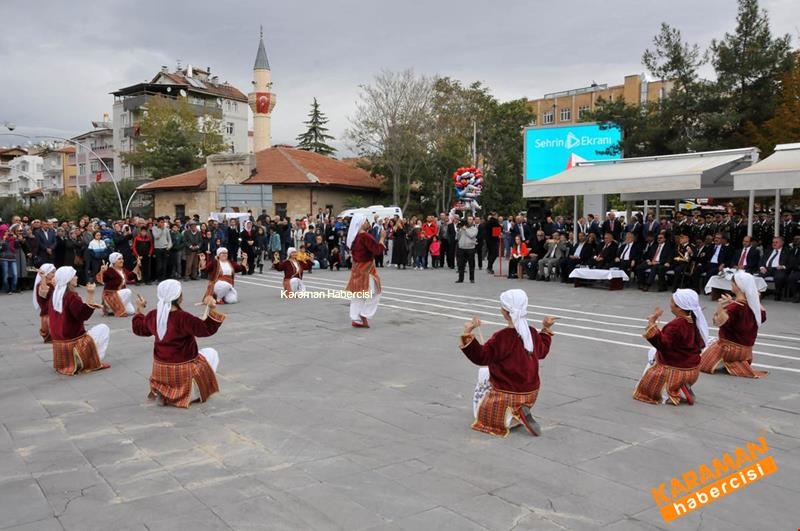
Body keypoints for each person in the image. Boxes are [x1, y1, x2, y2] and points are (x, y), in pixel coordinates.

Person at [459, 289, 556, 437]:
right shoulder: (531, 333)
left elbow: (480, 358)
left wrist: (467, 333)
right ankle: (519, 411)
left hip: (507, 393)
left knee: (483, 414)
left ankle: (512, 416)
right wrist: (546, 328)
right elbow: (542, 352)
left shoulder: (502, 337)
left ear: (504, 312)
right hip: (531, 393)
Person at [132, 279, 224, 408]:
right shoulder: (183, 317)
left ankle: (164, 392)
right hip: (182, 373)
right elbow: (205, 329)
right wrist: (213, 308)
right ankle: (188, 393)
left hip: (160, 372)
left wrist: (140, 308)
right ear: (179, 297)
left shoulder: (153, 315)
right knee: (211, 353)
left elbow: (139, 329)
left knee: (203, 356)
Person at [633, 289, 709, 405]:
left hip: (675, 371)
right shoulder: (693, 320)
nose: (670, 304)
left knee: (644, 390)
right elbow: (700, 344)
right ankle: (680, 387)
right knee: (653, 352)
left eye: (672, 302)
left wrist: (652, 323)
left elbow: (661, 344)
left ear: (679, 307)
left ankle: (668, 392)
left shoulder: (676, 325)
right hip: (692, 371)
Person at [699, 271, 767, 378]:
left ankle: (723, 361)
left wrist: (721, 306)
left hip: (729, 350)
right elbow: (761, 315)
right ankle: (733, 363)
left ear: (737, 286)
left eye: (733, 282)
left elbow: (718, 322)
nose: (731, 284)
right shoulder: (755, 307)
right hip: (747, 353)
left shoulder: (734, 308)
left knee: (697, 356)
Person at [48, 266, 110, 375]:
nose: (77, 277)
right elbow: (83, 315)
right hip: (73, 343)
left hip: (60, 346)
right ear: (68, 280)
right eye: (74, 276)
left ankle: (78, 360)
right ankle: (93, 361)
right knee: (103, 329)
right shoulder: (71, 296)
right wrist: (90, 294)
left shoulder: (55, 296)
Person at [346, 214, 385, 328]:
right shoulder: (365, 236)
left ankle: (356, 318)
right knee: (376, 292)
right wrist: (382, 238)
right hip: (366, 269)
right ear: (362, 223)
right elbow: (377, 250)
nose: (368, 222)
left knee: (358, 294)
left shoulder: (355, 237)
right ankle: (364, 314)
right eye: (366, 221)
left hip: (356, 268)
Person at [96, 252, 141, 317]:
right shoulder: (109, 270)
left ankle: (113, 309)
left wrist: (137, 265)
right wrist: (102, 271)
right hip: (110, 296)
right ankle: (110, 307)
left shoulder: (123, 270)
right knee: (128, 291)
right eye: (119, 259)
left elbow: (131, 276)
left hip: (120, 295)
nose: (122, 260)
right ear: (114, 261)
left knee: (131, 311)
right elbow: (101, 279)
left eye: (122, 259)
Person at [33, 263, 57, 342]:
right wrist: (43, 278)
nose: (54, 274)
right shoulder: (41, 285)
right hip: (47, 314)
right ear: (46, 273)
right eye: (52, 272)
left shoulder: (52, 282)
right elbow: (43, 294)